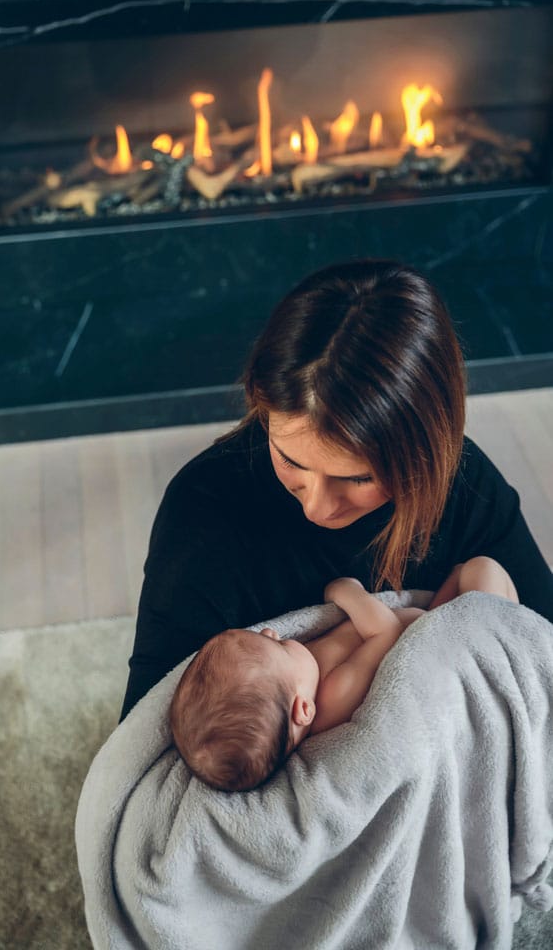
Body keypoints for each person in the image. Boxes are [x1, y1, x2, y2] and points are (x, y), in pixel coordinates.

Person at [120, 260, 553, 721]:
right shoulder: (204, 512)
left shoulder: (463, 485)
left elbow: (539, 654)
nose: (316, 506)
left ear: (425, 454)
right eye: (291, 460)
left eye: (358, 478)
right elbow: (151, 728)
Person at [169, 556, 519, 791]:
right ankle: (517, 651)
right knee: (481, 571)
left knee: (464, 573)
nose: (272, 633)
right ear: (301, 708)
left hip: (431, 621)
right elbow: (386, 631)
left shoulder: (303, 676)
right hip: (450, 648)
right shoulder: (334, 692)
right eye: (276, 646)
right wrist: (346, 592)